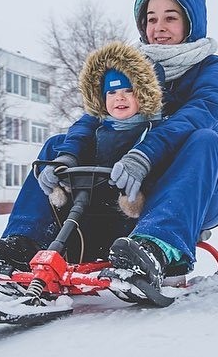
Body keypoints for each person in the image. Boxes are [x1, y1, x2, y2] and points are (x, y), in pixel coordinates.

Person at [0, 0, 218, 298]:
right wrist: (66, 158)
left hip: (192, 188)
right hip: (124, 185)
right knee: (57, 145)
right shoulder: (129, 67)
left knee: (204, 140)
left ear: (191, 22)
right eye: (151, 18)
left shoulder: (210, 69)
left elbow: (199, 113)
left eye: (170, 17)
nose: (159, 27)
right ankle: (23, 245)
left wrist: (145, 153)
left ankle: (155, 247)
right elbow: (93, 117)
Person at [39, 40, 165, 260]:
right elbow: (77, 143)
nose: (120, 97)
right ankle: (25, 240)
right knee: (54, 144)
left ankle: (145, 251)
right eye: (112, 92)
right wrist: (63, 175)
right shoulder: (96, 130)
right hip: (89, 211)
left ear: (144, 94)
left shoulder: (152, 132)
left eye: (129, 90)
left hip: (129, 219)